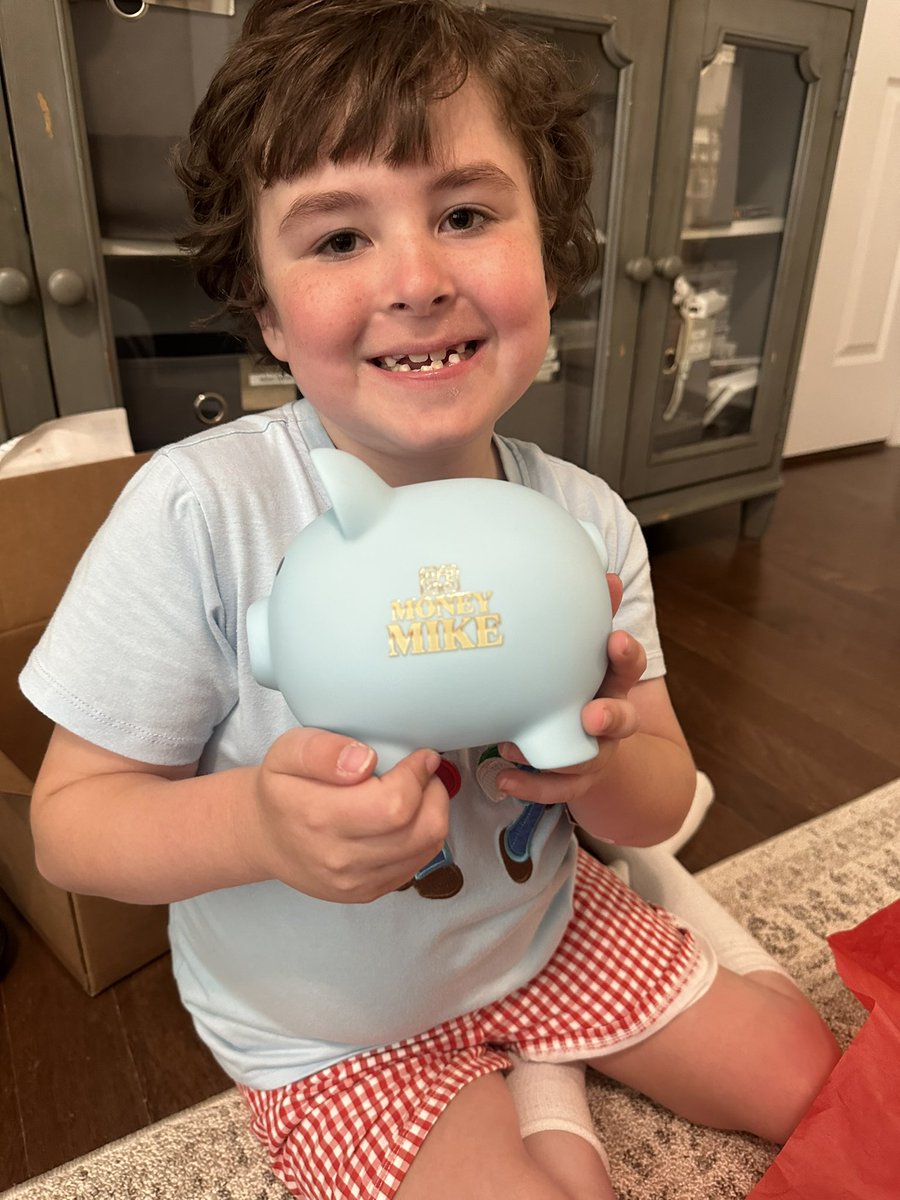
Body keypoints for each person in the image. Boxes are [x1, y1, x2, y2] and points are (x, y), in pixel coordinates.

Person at [21, 3, 839, 1198]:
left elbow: (657, 799)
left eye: (464, 214)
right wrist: (258, 825)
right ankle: (545, 1108)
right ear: (264, 310)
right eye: (339, 238)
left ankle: (538, 1056)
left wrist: (595, 765)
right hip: (333, 1029)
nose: (414, 278)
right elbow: (70, 828)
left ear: (551, 257)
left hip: (541, 931)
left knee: (806, 1068)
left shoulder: (586, 521)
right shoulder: (202, 511)